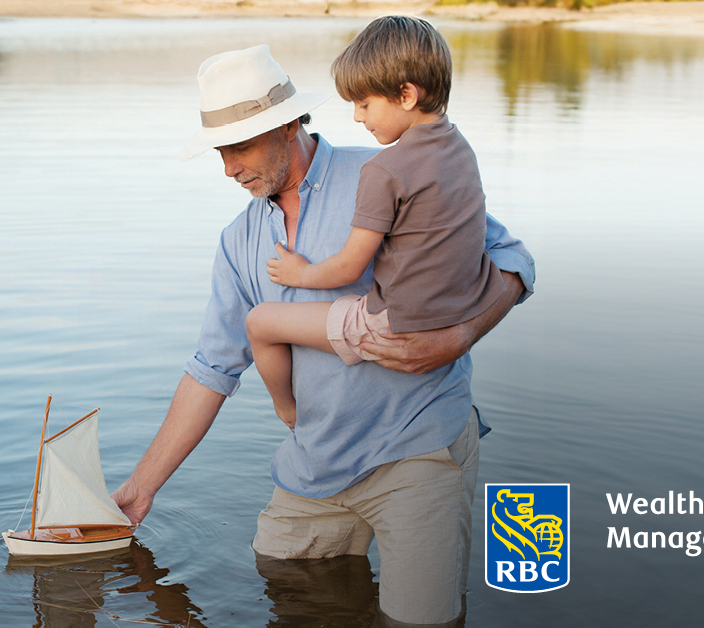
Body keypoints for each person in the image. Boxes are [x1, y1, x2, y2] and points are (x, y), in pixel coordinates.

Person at [112, 41, 535, 626]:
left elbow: (513, 260)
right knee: (288, 589)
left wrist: (459, 336)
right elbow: (212, 368)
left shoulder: (389, 172)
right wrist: (140, 488)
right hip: (314, 466)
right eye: (220, 151)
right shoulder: (238, 243)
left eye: (240, 148)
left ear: (288, 126)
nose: (228, 168)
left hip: (418, 447)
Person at [246, 17, 506, 429]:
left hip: (393, 326)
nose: (356, 117)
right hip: (457, 309)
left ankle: (291, 415)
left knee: (260, 322)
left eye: (364, 104)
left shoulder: (385, 170)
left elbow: (349, 266)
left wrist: (302, 273)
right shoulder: (461, 149)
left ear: (405, 95)